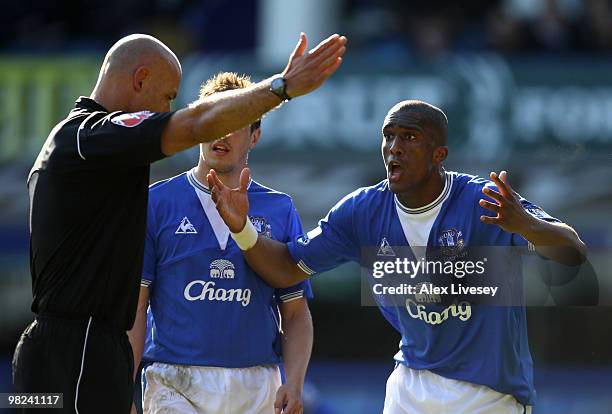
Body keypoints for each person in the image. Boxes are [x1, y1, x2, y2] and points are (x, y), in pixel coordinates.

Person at [12, 32, 346, 414]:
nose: (166, 109)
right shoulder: (91, 138)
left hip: (71, 350)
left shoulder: (86, 148)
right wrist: (281, 87)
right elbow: (195, 124)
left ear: (255, 137)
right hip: (80, 350)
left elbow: (294, 307)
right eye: (168, 96)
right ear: (140, 80)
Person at [207, 100, 587, 414]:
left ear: (439, 154)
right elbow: (287, 268)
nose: (394, 147)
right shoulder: (362, 211)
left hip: (489, 395)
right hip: (411, 387)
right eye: (388, 136)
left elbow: (572, 252)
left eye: (409, 137)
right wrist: (243, 228)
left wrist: (525, 225)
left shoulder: (483, 202)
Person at [128, 72, 313, 414]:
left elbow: (296, 311)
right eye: (215, 121)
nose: (223, 133)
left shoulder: (280, 208)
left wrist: (295, 382)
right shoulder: (157, 203)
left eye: (236, 122)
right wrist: (125, 386)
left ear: (255, 136)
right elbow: (136, 307)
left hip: (257, 384)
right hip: (174, 381)